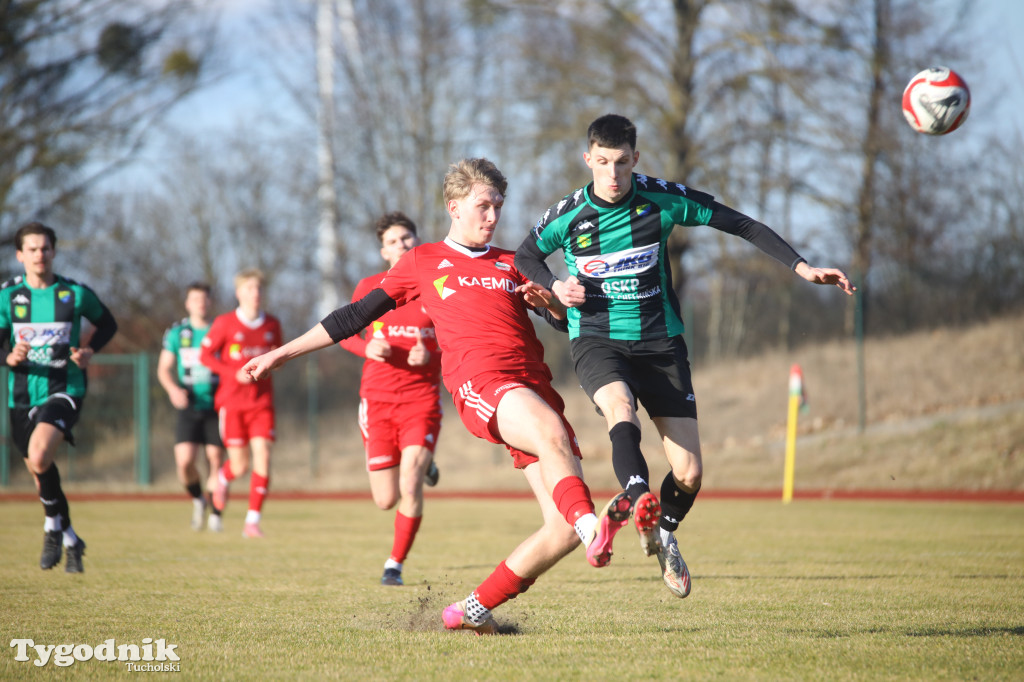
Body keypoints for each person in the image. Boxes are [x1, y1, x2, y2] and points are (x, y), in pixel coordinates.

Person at [243, 158, 629, 635]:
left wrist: (551, 306)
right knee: (554, 445)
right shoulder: (423, 261)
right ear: (454, 206)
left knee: (560, 530)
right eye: (482, 205)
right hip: (482, 384)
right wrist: (282, 353)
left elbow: (568, 324)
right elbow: (353, 316)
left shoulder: (515, 262)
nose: (492, 215)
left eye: (498, 207)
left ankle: (470, 609)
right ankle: (596, 527)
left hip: (534, 390)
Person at [515, 113, 855, 599]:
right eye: (604, 163)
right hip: (596, 339)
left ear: (637, 159)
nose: (613, 175)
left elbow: (740, 223)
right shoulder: (568, 213)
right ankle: (639, 502)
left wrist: (801, 267)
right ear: (588, 159)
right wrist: (555, 286)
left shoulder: (662, 198)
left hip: (661, 344)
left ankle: (662, 531)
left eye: (623, 163)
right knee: (619, 408)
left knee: (691, 473)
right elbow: (526, 255)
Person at [0, 221, 118, 573]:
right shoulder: (7, 296)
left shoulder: (74, 293)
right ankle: (71, 538)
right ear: (20, 254)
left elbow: (108, 323)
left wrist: (88, 350)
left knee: (39, 454)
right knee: (40, 472)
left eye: (45, 248)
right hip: (21, 395)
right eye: (32, 249)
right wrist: (9, 357)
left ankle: (51, 528)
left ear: (54, 252)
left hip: (65, 389)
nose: (40, 254)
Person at [338, 211, 443, 586]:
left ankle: (394, 565)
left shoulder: (435, 284)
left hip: (421, 400)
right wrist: (367, 348)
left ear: (417, 242)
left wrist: (432, 355)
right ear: (383, 251)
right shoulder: (369, 286)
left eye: (408, 237)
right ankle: (424, 462)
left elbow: (457, 338)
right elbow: (344, 333)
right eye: (394, 241)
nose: (402, 244)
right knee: (385, 499)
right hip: (378, 402)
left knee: (410, 483)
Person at [200, 269, 282, 538]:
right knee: (240, 465)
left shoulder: (272, 325)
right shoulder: (225, 323)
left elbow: (278, 358)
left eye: (258, 288)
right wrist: (231, 373)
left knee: (264, 457)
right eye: (249, 288)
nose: (255, 293)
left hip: (262, 403)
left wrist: (269, 369)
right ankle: (223, 479)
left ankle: (252, 521)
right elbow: (205, 355)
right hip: (232, 404)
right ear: (239, 292)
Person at [157, 282, 225, 532]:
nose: (200, 303)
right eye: (195, 299)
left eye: (205, 299)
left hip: (217, 404)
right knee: (185, 462)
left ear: (210, 302)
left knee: (215, 459)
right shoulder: (177, 333)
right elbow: (164, 369)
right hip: (189, 404)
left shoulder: (221, 329)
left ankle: (216, 515)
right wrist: (173, 389)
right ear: (187, 303)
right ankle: (199, 499)